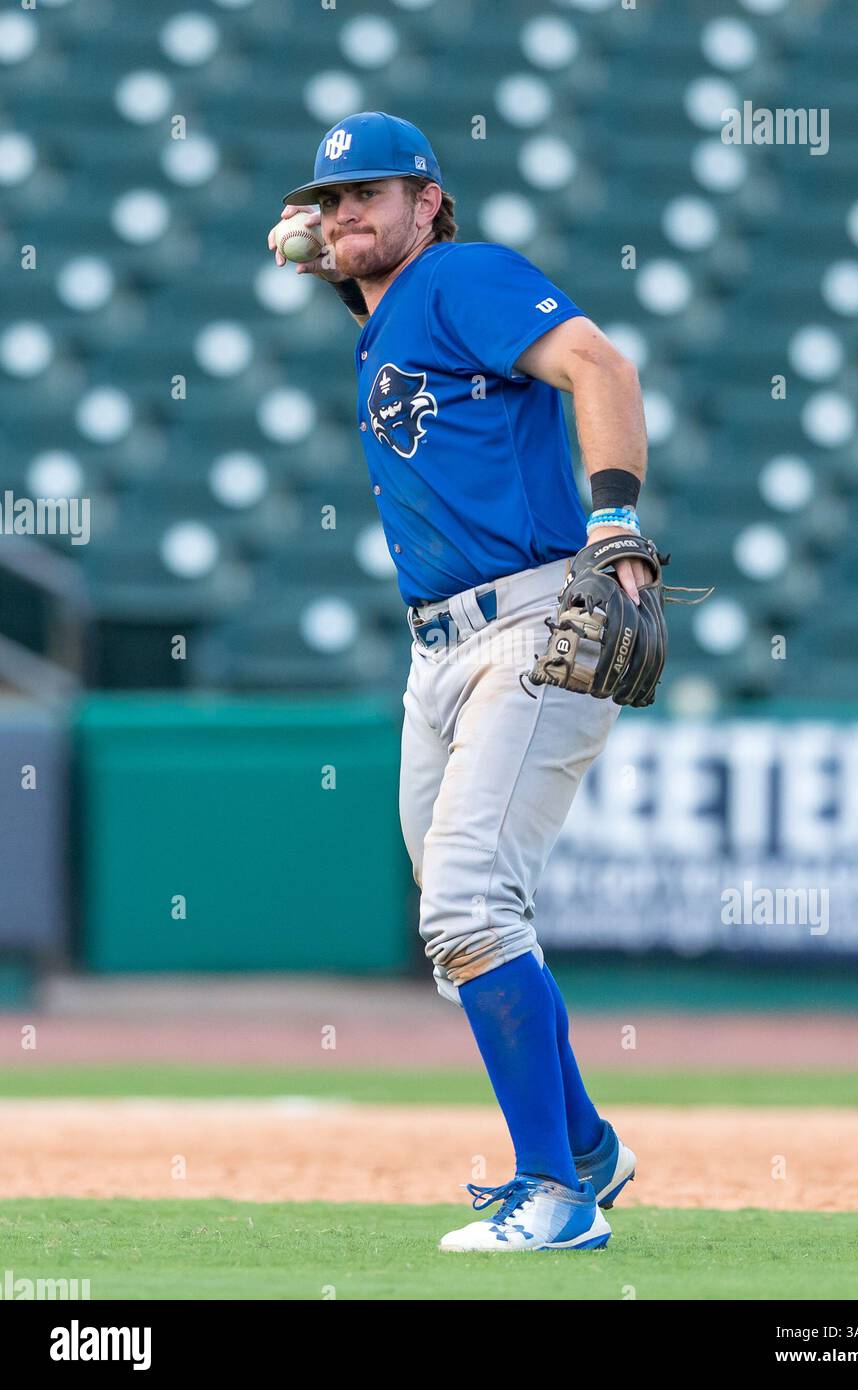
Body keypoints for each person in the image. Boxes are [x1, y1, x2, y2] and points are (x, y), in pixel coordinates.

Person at [269, 112, 644, 1252]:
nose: (345, 213)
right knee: (459, 934)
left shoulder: (460, 276)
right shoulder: (385, 318)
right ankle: (585, 1148)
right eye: (331, 199)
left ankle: (556, 1197)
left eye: (371, 193)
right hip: (438, 651)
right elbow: (332, 252)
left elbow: (598, 363)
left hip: (531, 622)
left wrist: (617, 520)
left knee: (471, 908)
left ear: (430, 199)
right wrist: (320, 246)